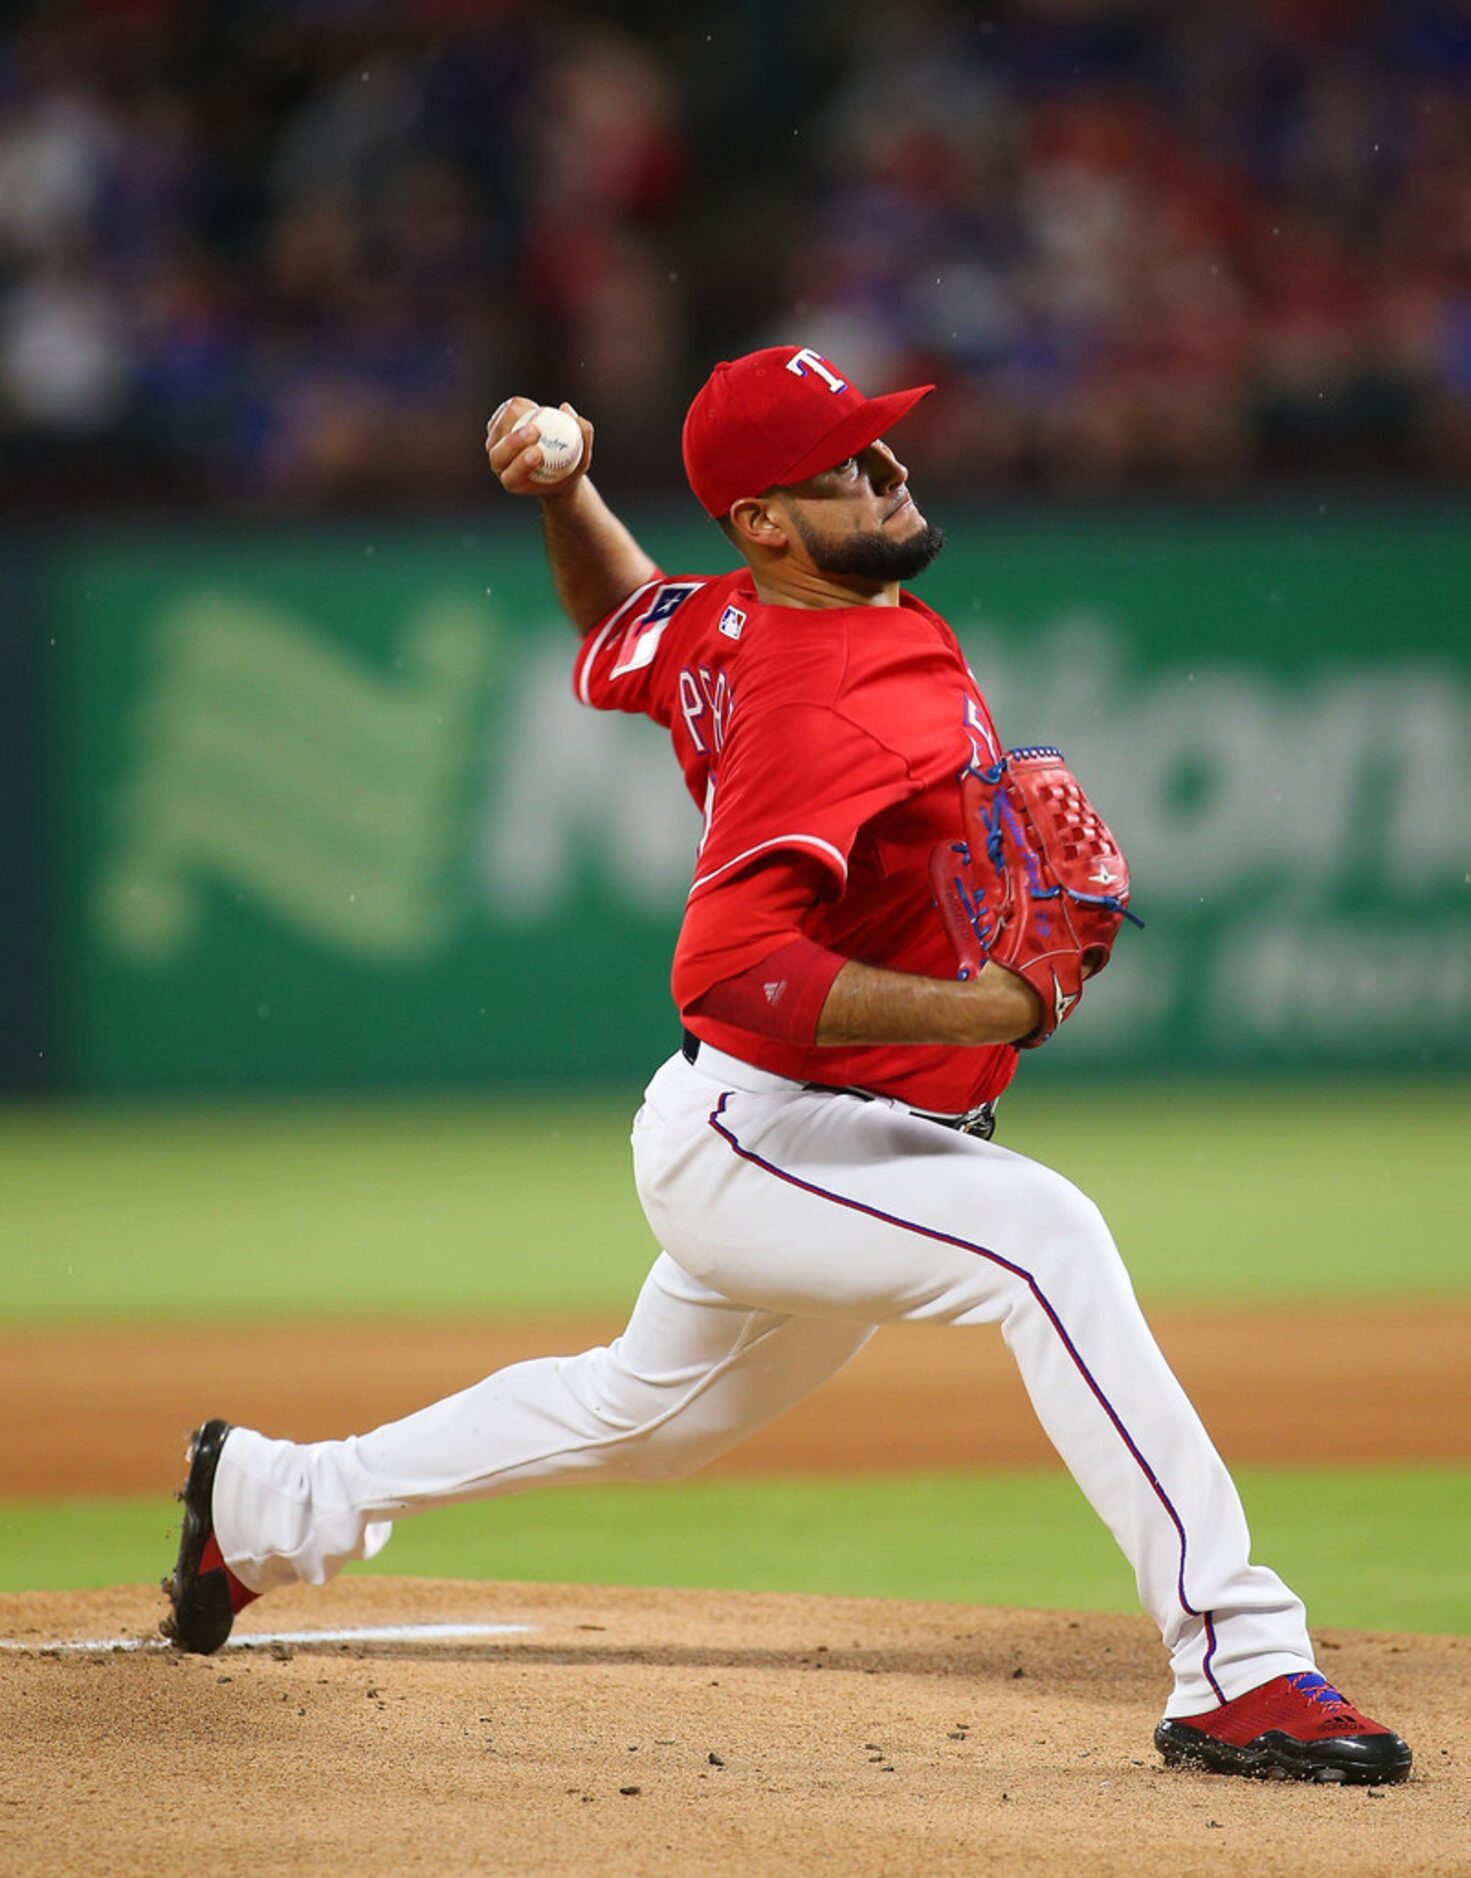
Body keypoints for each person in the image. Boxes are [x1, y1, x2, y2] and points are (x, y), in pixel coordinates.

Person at [163, 345, 1411, 1786]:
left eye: (884, 450)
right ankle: (1238, 1662)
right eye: (851, 467)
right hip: (770, 1133)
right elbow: (727, 968)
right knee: (1047, 1244)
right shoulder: (820, 694)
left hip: (817, 1130)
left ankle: (267, 1500)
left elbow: (626, 612)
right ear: (764, 520)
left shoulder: (751, 619)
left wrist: (567, 488)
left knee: (641, 1413)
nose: (892, 474)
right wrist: (998, 1009)